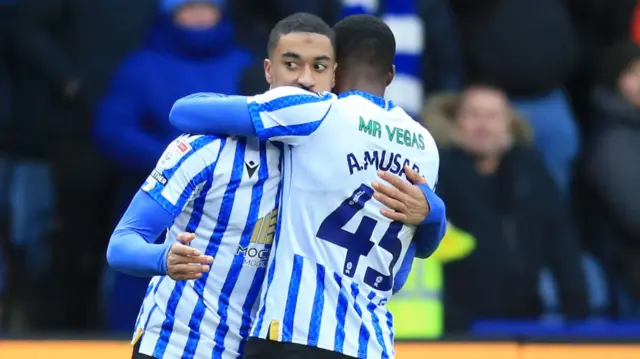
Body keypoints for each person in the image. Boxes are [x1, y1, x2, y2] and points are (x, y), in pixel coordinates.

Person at [109, 13, 443, 359]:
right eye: (292, 64)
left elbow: (391, 267)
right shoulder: (206, 147)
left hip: (266, 346)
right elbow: (122, 243)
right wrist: (163, 258)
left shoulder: (330, 148)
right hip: (179, 347)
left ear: (335, 75)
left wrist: (432, 212)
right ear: (268, 70)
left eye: (319, 67)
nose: (305, 79)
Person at [94, 0, 253, 332]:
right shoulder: (141, 66)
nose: (198, 15)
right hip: (154, 197)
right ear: (169, 13)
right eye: (187, 7)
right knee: (136, 294)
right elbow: (112, 129)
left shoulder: (245, 66)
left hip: (234, 206)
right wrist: (176, 160)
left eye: (206, 6)